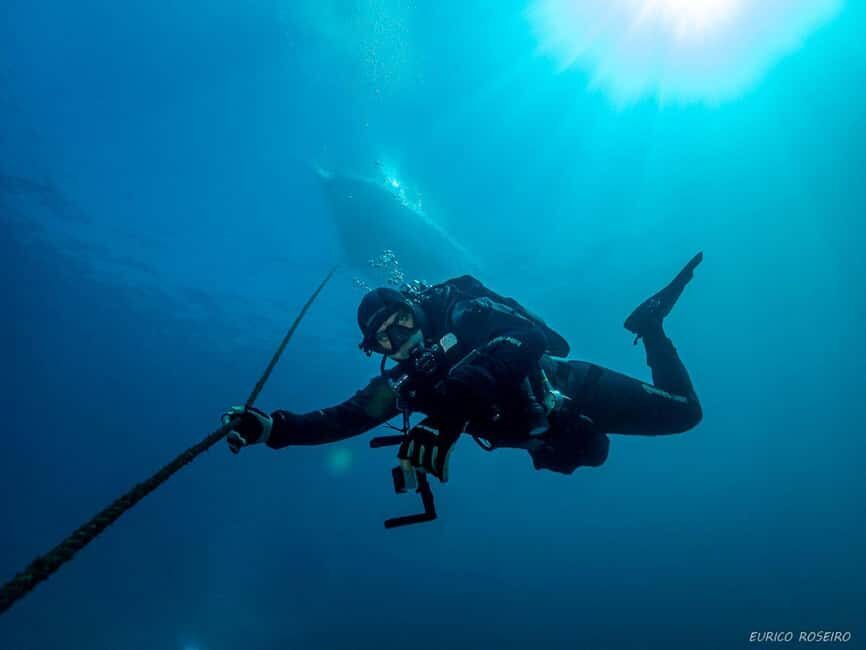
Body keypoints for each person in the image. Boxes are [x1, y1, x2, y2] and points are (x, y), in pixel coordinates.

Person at [223, 253, 704, 478]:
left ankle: (650, 326)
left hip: (579, 389)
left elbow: (531, 339)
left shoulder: (464, 313)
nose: (402, 338)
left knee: (685, 414)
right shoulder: (404, 382)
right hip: (557, 432)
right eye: (386, 338)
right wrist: (273, 429)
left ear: (417, 311)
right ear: (379, 351)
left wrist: (448, 416)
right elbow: (346, 417)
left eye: (403, 321)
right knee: (592, 452)